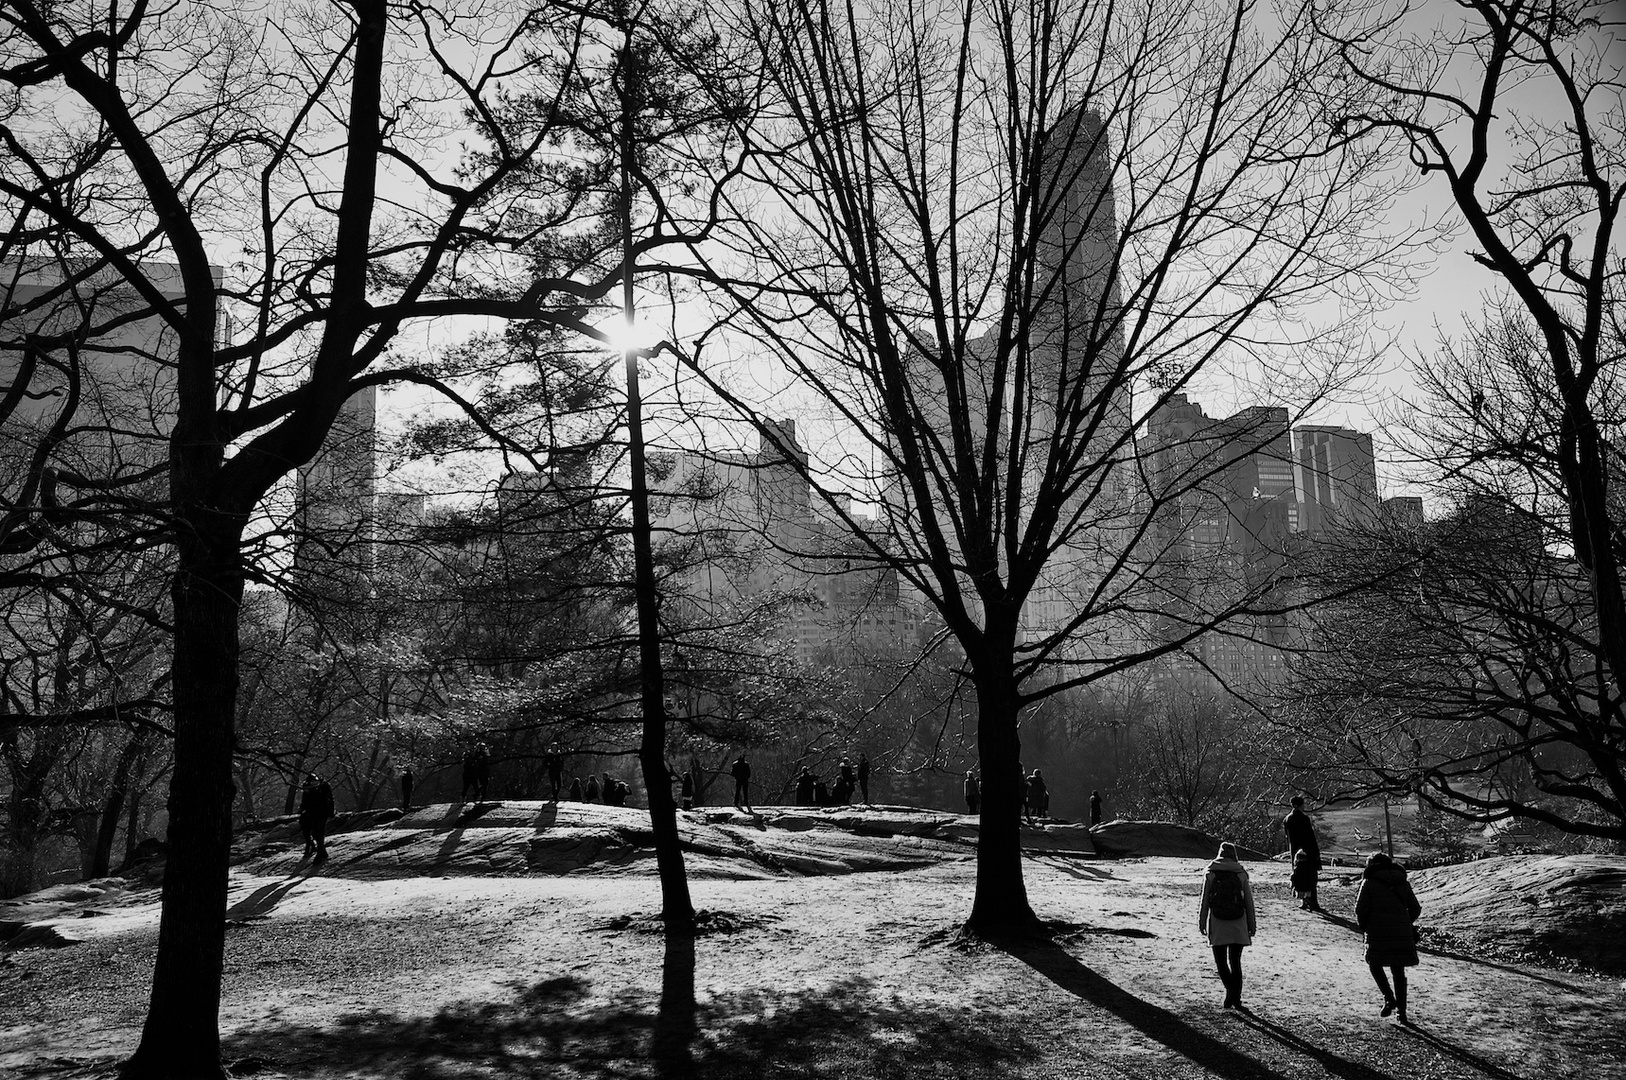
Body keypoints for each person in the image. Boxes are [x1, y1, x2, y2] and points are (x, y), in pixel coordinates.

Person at [1355, 851, 1422, 1024]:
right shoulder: (1403, 882)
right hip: (1401, 932)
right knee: (1398, 971)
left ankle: (1388, 998)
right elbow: (1415, 908)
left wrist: (1365, 926)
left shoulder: (1368, 882)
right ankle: (1402, 1012)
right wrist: (1405, 922)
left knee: (1374, 963)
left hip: (1377, 930)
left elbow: (1360, 909)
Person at [1198, 841, 1257, 1009]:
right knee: (1235, 962)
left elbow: (1204, 902)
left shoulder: (1210, 873)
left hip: (1217, 923)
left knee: (1221, 963)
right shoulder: (1241, 874)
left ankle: (1230, 991)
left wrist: (1201, 922)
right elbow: (1248, 903)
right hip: (1238, 924)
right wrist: (1251, 925)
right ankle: (1236, 998)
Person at [1283, 795, 1322, 911]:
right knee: (1311, 878)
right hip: (1307, 851)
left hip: (1294, 851)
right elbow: (1310, 837)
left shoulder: (1287, 819)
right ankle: (1313, 902)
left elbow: (1287, 837)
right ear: (1298, 805)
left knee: (1299, 877)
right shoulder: (1304, 819)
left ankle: (1303, 900)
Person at [298, 773, 336, 862]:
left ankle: (320, 853)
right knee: (314, 832)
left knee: (319, 831)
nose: (314, 784)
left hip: (323, 811)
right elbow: (305, 801)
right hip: (312, 812)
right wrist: (303, 810)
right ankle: (321, 851)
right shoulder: (307, 788)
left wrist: (331, 811)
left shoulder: (324, 786)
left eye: (316, 782)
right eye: (313, 782)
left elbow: (330, 798)